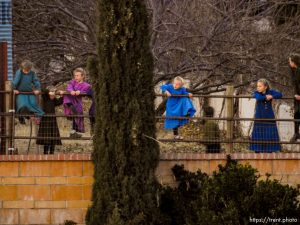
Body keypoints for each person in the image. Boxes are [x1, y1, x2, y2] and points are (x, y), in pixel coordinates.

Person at [250, 79, 282, 153]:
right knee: (259, 133)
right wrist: (266, 97)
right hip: (259, 117)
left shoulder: (270, 92)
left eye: (260, 86)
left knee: (269, 133)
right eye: (257, 86)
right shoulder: (257, 93)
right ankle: (257, 151)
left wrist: (272, 96)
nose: (258, 87)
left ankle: (269, 151)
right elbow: (258, 97)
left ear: (265, 87)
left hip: (269, 117)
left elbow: (280, 94)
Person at [12, 60, 44, 125]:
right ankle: (21, 117)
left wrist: (37, 89)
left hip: (29, 92)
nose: (26, 72)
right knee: (23, 104)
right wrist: (14, 89)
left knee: (33, 103)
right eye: (25, 70)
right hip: (20, 93)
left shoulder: (32, 73)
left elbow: (36, 81)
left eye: (28, 70)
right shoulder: (19, 72)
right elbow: (15, 81)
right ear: (22, 68)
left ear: (30, 69)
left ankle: (36, 117)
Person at [63, 68, 91, 138]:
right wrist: (71, 91)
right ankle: (70, 106)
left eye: (77, 75)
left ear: (82, 76)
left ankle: (74, 133)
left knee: (77, 117)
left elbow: (86, 91)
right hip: (71, 102)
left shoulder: (86, 85)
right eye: (75, 75)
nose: (76, 77)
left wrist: (80, 92)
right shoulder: (73, 82)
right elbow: (69, 87)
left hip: (78, 103)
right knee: (66, 94)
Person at [36, 87, 63, 154]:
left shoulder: (53, 99)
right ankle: (45, 152)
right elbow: (42, 89)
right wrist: (48, 92)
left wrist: (62, 95)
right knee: (46, 136)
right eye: (52, 94)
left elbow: (59, 102)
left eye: (54, 94)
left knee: (53, 136)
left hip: (52, 119)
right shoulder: (45, 97)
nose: (53, 95)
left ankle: (52, 152)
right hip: (45, 119)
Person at [289, 53, 300, 142]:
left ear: (294, 62)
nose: (289, 63)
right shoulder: (295, 71)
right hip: (297, 98)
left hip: (299, 97)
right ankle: (296, 133)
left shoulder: (299, 71)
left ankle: (296, 133)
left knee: (297, 114)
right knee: (296, 115)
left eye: (290, 61)